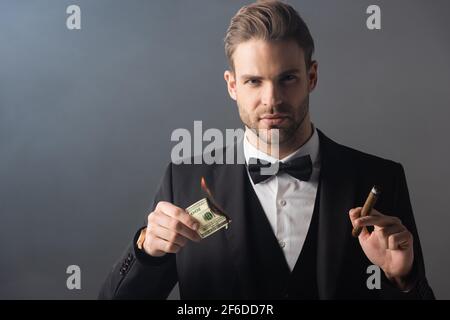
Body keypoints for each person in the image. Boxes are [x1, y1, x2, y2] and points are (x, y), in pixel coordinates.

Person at [99, 0, 434, 299]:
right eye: (253, 81)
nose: (271, 99)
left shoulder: (381, 179)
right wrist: (147, 250)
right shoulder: (183, 181)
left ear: (312, 76)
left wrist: (402, 279)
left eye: (287, 78)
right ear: (232, 85)